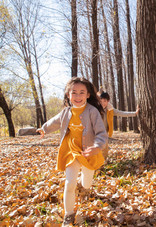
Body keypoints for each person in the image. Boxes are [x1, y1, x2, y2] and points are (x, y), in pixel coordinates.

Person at [37, 77, 108, 226]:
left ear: (88, 95)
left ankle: (85, 187)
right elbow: (54, 121)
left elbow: (101, 133)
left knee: (87, 184)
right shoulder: (66, 112)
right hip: (72, 152)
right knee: (69, 184)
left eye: (81, 92)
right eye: (73, 92)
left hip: (89, 152)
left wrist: (97, 146)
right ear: (68, 95)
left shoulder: (92, 111)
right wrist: (44, 128)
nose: (77, 96)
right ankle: (69, 215)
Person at [98, 91, 139, 160]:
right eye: (101, 101)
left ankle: (102, 163)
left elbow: (121, 113)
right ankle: (96, 165)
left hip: (105, 133)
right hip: (96, 133)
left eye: (104, 101)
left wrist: (134, 113)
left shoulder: (110, 110)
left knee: (105, 150)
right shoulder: (96, 109)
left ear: (108, 101)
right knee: (97, 149)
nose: (102, 103)